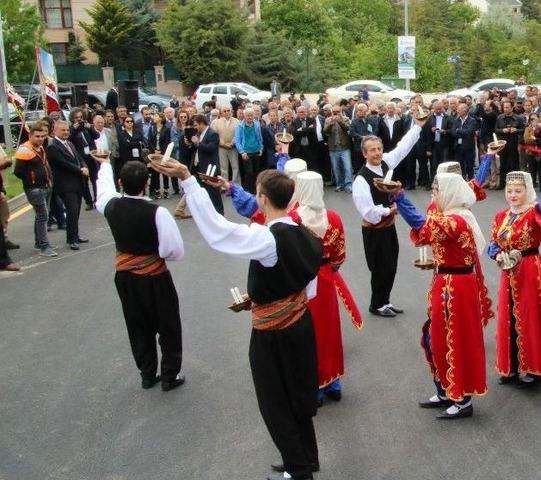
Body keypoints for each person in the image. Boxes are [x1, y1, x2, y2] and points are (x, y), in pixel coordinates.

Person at [152, 160, 322, 480]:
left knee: (276, 402)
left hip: (274, 333)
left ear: (262, 198)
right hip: (300, 324)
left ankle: (299, 470)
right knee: (298, 395)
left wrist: (189, 181)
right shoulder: (306, 233)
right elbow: (307, 287)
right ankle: (303, 459)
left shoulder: (269, 238)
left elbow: (219, 232)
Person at [393, 172, 491, 418]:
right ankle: (447, 389)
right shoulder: (450, 216)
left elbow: (421, 224)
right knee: (435, 338)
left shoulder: (457, 219)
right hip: (447, 282)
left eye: (436, 191)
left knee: (454, 339)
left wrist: (400, 199)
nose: (432, 196)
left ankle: (462, 399)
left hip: (456, 287)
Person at [92, 155, 185, 391]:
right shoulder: (157, 213)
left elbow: (103, 190)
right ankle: (169, 375)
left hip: (126, 278)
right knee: (168, 325)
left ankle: (146, 373)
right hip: (154, 276)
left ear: (121, 183)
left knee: (137, 325)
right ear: (146, 183)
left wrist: (104, 165)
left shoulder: (110, 205)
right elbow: (172, 250)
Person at [488, 167, 541, 387]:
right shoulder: (501, 216)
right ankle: (510, 367)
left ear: (527, 191)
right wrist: (498, 254)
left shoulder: (533, 213)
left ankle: (533, 369)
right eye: (510, 190)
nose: (513, 195)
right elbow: (493, 243)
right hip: (508, 271)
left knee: (530, 316)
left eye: (518, 191)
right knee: (508, 316)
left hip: (529, 269)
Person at [291, 171, 362, 409]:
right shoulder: (333, 217)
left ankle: (314, 384)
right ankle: (333, 381)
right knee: (329, 329)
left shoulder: (294, 219)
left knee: (306, 332)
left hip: (302, 280)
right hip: (326, 278)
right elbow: (339, 255)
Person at [351, 115, 426, 317]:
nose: (377, 153)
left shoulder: (385, 163)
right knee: (380, 268)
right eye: (372, 150)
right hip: (375, 230)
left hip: (388, 226)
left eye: (378, 149)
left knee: (391, 266)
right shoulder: (361, 180)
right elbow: (368, 212)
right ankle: (376, 304)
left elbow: (403, 147)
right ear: (364, 154)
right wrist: (390, 210)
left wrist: (417, 126)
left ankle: (384, 301)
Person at [14, 122, 57, 257]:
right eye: (37, 136)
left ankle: (39, 243)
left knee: (41, 216)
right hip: (35, 188)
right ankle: (44, 246)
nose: (40, 138)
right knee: (43, 216)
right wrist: (32, 179)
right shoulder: (24, 150)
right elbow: (18, 171)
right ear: (30, 135)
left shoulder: (39, 147)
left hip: (45, 186)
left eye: (42, 136)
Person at [46, 120, 89, 250]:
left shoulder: (70, 143)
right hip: (65, 185)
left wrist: (84, 166)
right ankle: (72, 239)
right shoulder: (53, 146)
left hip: (77, 183)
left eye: (67, 130)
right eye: (62, 130)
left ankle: (74, 235)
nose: (66, 132)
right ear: (54, 131)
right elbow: (63, 163)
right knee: (72, 210)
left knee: (75, 211)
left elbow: (78, 158)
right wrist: (80, 170)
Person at [323, 105, 353, 192]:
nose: (336, 114)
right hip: (333, 148)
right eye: (334, 112)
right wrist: (330, 124)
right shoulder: (328, 120)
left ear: (341, 112)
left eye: (338, 112)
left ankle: (348, 184)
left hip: (344, 147)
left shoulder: (346, 119)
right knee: (336, 168)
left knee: (347, 167)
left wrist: (340, 121)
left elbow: (348, 129)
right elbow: (325, 131)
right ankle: (339, 184)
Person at [235, 107, 264, 193]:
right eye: (247, 115)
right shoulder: (240, 126)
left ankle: (256, 190)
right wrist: (242, 152)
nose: (249, 117)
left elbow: (259, 138)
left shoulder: (257, 124)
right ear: (244, 116)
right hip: (246, 152)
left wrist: (261, 148)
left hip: (256, 151)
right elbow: (237, 141)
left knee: (256, 172)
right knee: (249, 173)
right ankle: (248, 191)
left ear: (253, 115)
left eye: (251, 115)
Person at [148, 112, 173, 198]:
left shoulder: (166, 129)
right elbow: (149, 140)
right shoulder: (151, 128)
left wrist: (161, 150)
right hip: (154, 153)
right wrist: (154, 150)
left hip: (163, 153)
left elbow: (167, 141)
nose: (153, 117)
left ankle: (166, 190)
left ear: (160, 118)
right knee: (155, 173)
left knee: (164, 171)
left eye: (155, 116)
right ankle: (157, 190)